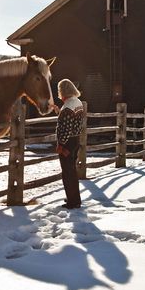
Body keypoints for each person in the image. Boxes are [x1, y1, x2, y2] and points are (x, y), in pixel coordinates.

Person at [54, 79, 84, 209]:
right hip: (76, 139)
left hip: (67, 142)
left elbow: (65, 128)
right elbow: (71, 121)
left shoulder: (67, 107)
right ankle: (74, 198)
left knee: (67, 172)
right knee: (72, 170)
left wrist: (61, 144)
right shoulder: (77, 102)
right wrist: (58, 111)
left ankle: (72, 202)